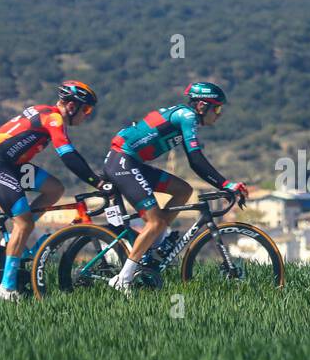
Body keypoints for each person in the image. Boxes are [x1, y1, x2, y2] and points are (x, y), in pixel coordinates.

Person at [104, 81, 247, 292]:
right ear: (201, 106)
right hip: (123, 162)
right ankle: (123, 280)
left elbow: (195, 160)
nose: (219, 114)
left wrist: (224, 184)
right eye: (216, 108)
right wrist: (226, 184)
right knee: (155, 222)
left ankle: (153, 249)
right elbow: (195, 160)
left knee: (183, 190)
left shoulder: (185, 116)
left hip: (130, 162)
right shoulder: (187, 117)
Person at [0, 80, 110, 301]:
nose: (87, 115)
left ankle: (14, 240)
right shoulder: (53, 119)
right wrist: (96, 182)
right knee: (24, 223)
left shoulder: (45, 112)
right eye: (86, 109)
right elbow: (68, 155)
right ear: (71, 105)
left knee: (55, 189)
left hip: (10, 165)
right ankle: (6, 289)